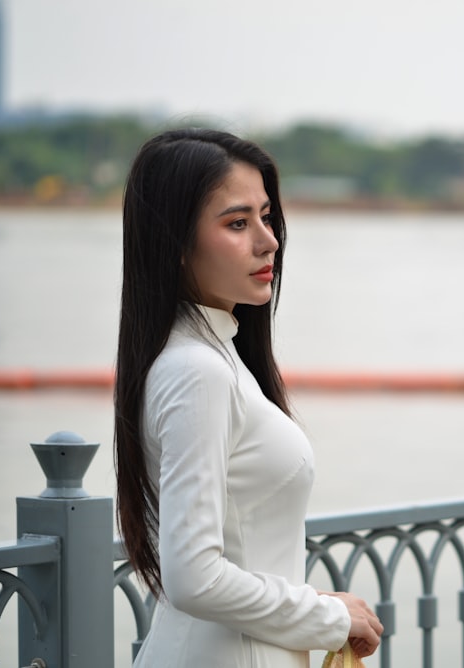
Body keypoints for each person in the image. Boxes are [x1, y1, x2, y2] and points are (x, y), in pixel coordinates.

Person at [114, 128, 383, 667]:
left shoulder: (214, 355)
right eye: (237, 223)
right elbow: (195, 578)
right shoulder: (197, 370)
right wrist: (330, 618)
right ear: (176, 244)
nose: (268, 240)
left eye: (266, 217)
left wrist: (312, 604)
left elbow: (231, 560)